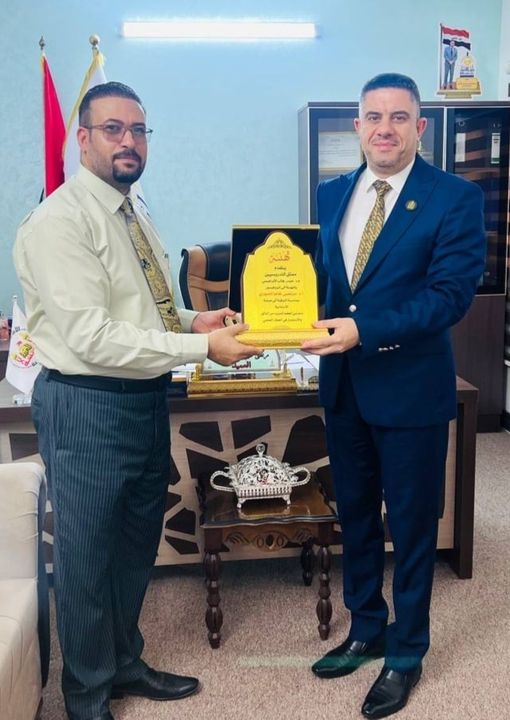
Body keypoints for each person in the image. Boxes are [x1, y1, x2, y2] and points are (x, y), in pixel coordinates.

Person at [13, 81, 261, 720]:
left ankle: (124, 663)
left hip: (144, 399)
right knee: (87, 558)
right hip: (87, 404)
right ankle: (87, 696)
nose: (129, 141)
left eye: (139, 130)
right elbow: (91, 338)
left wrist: (196, 321)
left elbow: (146, 310)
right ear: (83, 139)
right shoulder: (60, 222)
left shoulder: (135, 211)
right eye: (114, 129)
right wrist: (203, 350)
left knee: (132, 545)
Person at [301, 73, 485, 718]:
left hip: (410, 390)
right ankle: (366, 628)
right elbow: (327, 281)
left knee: (409, 525)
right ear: (357, 126)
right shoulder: (332, 193)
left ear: (419, 127)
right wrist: (285, 321)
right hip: (345, 389)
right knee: (354, 515)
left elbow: (449, 297)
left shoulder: (454, 198)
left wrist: (364, 330)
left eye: (399, 117)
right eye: (373, 117)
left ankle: (406, 653)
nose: (385, 128)